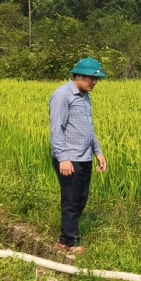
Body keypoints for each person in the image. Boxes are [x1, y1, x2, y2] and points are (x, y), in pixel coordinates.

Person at [49, 58, 109, 255]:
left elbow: (88, 128)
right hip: (69, 157)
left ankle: (64, 240)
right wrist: (63, 158)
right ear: (79, 76)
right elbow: (56, 129)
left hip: (84, 157)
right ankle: (73, 242)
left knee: (80, 200)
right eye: (92, 78)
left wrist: (98, 152)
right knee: (71, 200)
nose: (95, 83)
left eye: (96, 79)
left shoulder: (84, 97)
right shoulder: (62, 96)